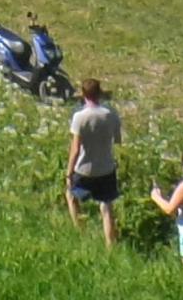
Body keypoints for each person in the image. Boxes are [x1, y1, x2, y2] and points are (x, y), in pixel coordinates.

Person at [65, 79, 123, 248]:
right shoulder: (111, 115)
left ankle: (80, 231)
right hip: (106, 167)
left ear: (83, 94)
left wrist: (69, 172)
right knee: (106, 207)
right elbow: (118, 142)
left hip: (84, 169)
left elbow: (75, 149)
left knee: (71, 195)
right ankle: (110, 245)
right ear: (100, 93)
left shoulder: (79, 117)